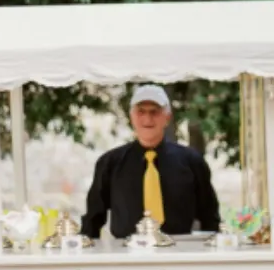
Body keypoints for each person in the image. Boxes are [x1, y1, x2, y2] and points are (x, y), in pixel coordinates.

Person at [80, 84, 221, 240]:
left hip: (180, 252)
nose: (147, 119)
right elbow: (93, 218)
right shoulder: (110, 163)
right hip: (126, 253)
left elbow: (210, 217)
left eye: (154, 112)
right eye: (141, 112)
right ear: (132, 117)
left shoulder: (191, 162)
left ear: (167, 118)